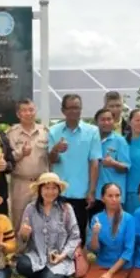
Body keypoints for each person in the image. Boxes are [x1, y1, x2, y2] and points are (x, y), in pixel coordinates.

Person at [48, 94, 102, 245]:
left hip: (81, 192)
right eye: (70, 108)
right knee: (57, 232)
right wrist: (55, 150)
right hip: (59, 192)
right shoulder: (53, 131)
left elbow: (94, 162)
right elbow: (51, 160)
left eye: (77, 108)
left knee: (78, 235)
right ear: (63, 110)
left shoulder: (92, 131)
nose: (74, 111)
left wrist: (91, 191)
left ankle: (77, 265)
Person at [17, 173, 81, 278]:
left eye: (54, 188)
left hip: (59, 258)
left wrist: (62, 255)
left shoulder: (66, 209)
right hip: (37, 255)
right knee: (22, 265)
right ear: (40, 190)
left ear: (58, 190)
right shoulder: (30, 209)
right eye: (46, 188)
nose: (50, 192)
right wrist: (24, 234)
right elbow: (23, 240)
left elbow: (75, 236)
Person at [75, 183, 135, 278]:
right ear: (103, 198)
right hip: (102, 264)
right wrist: (95, 234)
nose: (114, 199)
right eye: (110, 196)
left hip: (120, 267)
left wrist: (109, 274)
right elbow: (94, 249)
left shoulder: (128, 219)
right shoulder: (97, 218)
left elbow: (128, 251)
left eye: (117, 196)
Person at [6, 98, 50, 232]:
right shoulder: (11, 134)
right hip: (21, 183)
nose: (28, 113)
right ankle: (20, 251)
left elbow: (51, 158)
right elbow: (7, 159)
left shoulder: (45, 132)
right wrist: (21, 153)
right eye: (24, 111)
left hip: (42, 184)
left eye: (31, 110)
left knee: (43, 220)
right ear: (18, 114)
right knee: (19, 220)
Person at [92, 108, 130, 218]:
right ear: (96, 122)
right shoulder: (92, 140)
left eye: (109, 119)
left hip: (114, 196)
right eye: (102, 120)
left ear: (114, 121)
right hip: (96, 195)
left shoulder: (120, 141)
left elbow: (126, 168)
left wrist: (114, 163)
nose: (106, 122)